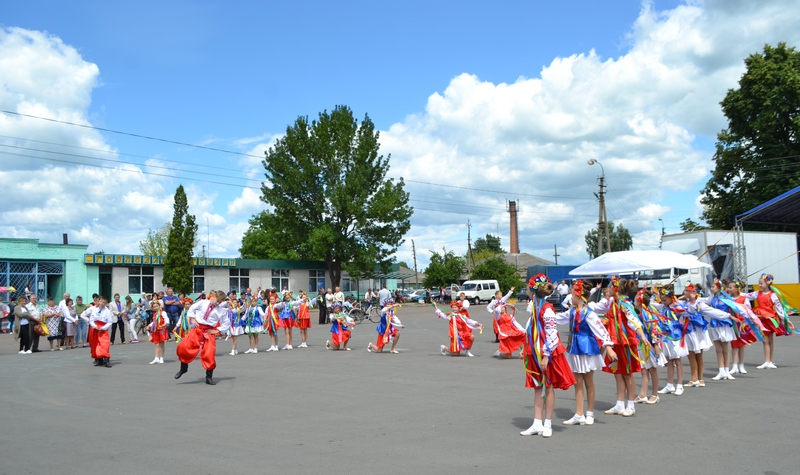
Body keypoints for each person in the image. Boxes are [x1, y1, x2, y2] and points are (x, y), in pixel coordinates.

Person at [519, 274, 576, 438]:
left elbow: (551, 335)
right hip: (534, 352)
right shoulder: (535, 308)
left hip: (546, 353)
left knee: (548, 386)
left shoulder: (547, 309)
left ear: (532, 290)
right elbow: (530, 329)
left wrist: (545, 356)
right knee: (538, 386)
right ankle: (537, 423)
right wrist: (524, 346)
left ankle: (548, 423)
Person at [554, 280, 615, 426]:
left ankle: (590, 413)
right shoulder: (572, 312)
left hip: (587, 349)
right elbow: (556, 318)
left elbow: (601, 330)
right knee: (577, 382)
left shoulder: (589, 313)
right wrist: (542, 315)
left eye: (572, 295)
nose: (570, 297)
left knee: (588, 381)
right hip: (574, 349)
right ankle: (579, 414)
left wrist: (608, 347)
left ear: (578, 295)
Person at [592, 277, 650, 417]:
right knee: (617, 373)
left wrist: (642, 335)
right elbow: (602, 312)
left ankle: (630, 405)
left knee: (627, 373)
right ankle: (619, 404)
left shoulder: (624, 303)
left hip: (625, 342)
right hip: (615, 342)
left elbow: (633, 321)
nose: (609, 288)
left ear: (616, 288)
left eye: (611, 286)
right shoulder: (612, 302)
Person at [174, 290, 231, 385]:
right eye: (217, 301)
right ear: (213, 297)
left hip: (208, 333)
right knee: (184, 347)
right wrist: (192, 318)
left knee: (209, 354)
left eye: (220, 302)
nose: (218, 303)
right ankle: (183, 368)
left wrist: (218, 330)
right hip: (197, 330)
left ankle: (209, 377)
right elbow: (192, 308)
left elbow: (226, 323)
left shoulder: (220, 311)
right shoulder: (203, 302)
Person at [744, 273, 796, 368]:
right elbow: (747, 295)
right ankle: (768, 361)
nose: (759, 285)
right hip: (761, 319)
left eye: (761, 283)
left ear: (768, 283)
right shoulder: (757, 293)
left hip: (770, 319)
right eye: (759, 283)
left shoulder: (772, 295)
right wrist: (735, 294)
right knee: (766, 340)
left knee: (768, 340)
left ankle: (768, 361)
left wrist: (786, 319)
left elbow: (779, 308)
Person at [653, 286, 688, 396]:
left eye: (665, 300)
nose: (662, 302)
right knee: (669, 361)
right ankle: (670, 384)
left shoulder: (676, 306)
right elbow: (651, 304)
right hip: (665, 336)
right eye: (661, 300)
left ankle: (680, 385)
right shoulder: (663, 307)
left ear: (671, 298)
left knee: (677, 360)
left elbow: (686, 312)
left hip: (675, 336)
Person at [81, 296, 113, 367]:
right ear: (98, 302)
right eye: (101, 301)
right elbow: (91, 319)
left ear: (106, 303)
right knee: (95, 344)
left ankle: (106, 359)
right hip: (95, 328)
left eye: (103, 302)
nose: (101, 303)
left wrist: (103, 328)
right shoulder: (94, 310)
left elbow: (110, 322)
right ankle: (99, 359)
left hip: (103, 329)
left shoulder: (107, 311)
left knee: (104, 344)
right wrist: (94, 326)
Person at [149, 300, 169, 364]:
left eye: (156, 306)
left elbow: (167, 320)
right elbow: (154, 322)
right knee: (156, 344)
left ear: (159, 306)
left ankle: (162, 357)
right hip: (156, 330)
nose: (155, 308)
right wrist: (149, 325)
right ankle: (156, 358)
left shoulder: (163, 312)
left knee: (162, 344)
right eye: (154, 307)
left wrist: (164, 324)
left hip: (161, 330)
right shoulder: (155, 314)